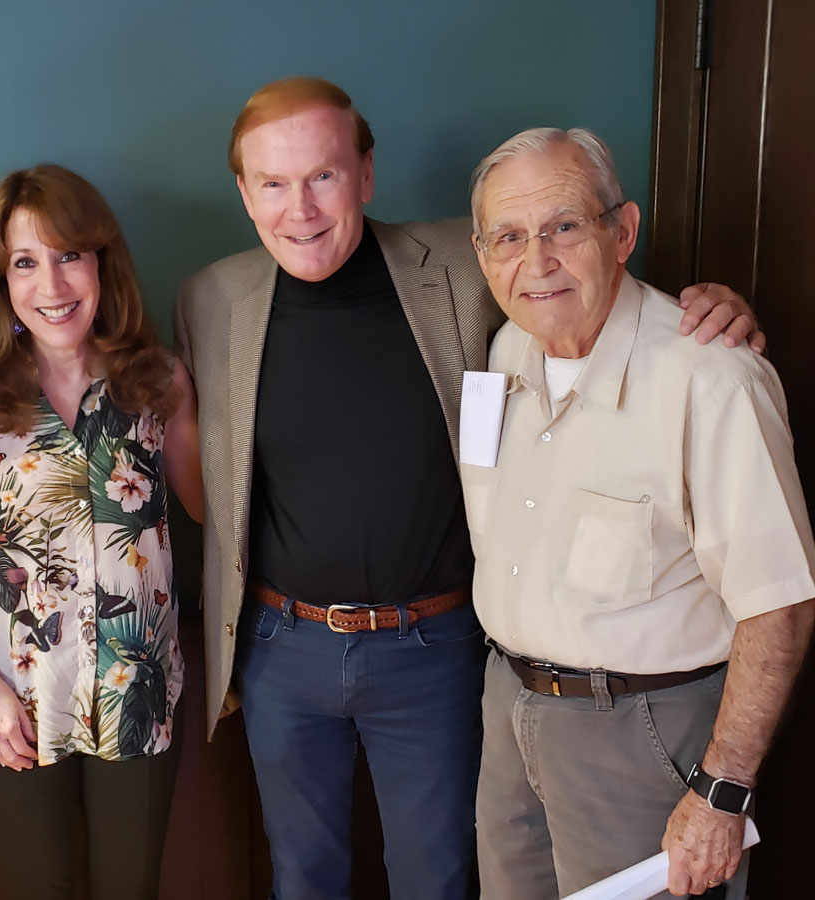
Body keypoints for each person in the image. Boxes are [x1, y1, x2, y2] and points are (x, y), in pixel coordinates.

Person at [173, 76, 764, 900]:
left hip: (435, 648)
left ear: (366, 174)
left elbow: (584, 289)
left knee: (440, 873)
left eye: (324, 176)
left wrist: (715, 306)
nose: (299, 208)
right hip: (284, 648)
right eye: (272, 183)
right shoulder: (210, 300)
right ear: (244, 192)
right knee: (299, 873)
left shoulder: (463, 261)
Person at [464, 126, 815, 899]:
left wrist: (722, 791)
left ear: (622, 232)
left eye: (563, 227)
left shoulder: (711, 378)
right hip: (509, 713)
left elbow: (779, 604)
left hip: (644, 731)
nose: (537, 261)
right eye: (510, 237)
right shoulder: (503, 353)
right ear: (483, 253)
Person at [0, 164, 202, 900]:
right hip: (14, 701)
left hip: (137, 692)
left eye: (69, 255)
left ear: (102, 263)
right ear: (2, 281)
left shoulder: (159, 381)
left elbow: (211, 507)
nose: (51, 284)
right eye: (26, 262)